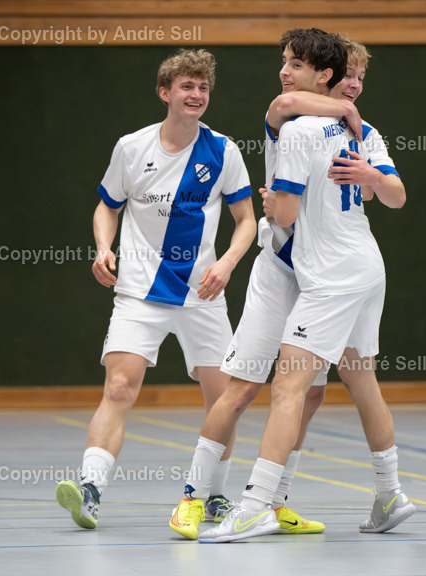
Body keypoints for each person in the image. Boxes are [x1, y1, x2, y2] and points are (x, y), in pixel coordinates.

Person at [198, 29, 414, 543]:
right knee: (362, 381)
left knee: (288, 387)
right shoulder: (364, 130)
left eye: (293, 62)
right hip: (367, 269)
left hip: (330, 278)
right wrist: (373, 175)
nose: (284, 70)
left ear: (324, 76)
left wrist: (274, 206)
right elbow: (399, 197)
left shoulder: (298, 133)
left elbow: (287, 211)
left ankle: (254, 507)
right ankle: (390, 494)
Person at [55, 48, 256, 529]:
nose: (197, 95)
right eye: (187, 86)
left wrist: (227, 264)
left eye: (203, 87)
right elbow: (107, 206)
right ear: (165, 93)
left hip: (202, 295)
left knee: (222, 399)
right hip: (140, 292)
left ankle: (214, 495)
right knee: (120, 388)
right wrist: (104, 247)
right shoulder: (132, 147)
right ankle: (90, 490)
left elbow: (248, 220)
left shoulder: (224, 150)